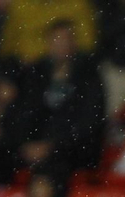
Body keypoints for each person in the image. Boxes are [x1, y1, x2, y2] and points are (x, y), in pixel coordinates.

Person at [7, 19, 108, 183]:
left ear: (74, 43)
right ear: (48, 43)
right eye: (56, 39)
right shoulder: (35, 73)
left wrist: (53, 145)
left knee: (55, 164)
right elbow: (22, 111)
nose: (61, 45)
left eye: (65, 39)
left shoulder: (89, 75)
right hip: (35, 145)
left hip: (71, 149)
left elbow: (89, 121)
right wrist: (25, 143)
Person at [0, 0, 98, 63]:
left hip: (72, 68)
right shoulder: (21, 6)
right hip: (26, 72)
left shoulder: (78, 4)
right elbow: (7, 48)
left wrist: (59, 50)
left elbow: (88, 44)